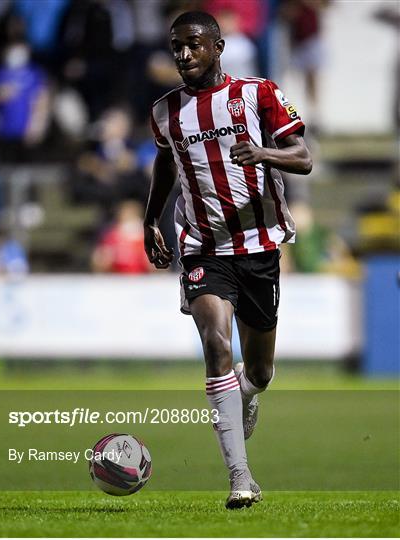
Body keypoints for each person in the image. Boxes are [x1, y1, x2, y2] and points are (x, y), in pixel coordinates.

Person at [143, 11, 312, 509]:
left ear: (218, 47)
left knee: (259, 371)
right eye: (176, 46)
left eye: (194, 45)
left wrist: (262, 154)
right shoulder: (164, 112)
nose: (183, 55)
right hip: (201, 247)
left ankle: (248, 392)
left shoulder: (258, 94)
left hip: (259, 245)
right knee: (216, 343)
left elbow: (302, 157)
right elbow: (164, 159)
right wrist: (151, 220)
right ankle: (241, 477)